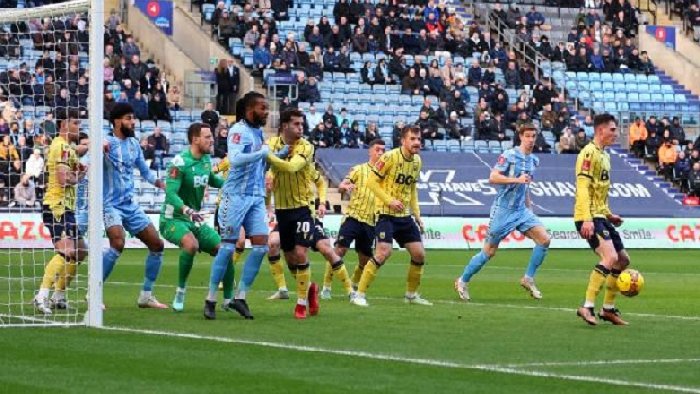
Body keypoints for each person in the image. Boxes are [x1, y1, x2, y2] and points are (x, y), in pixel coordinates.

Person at [267, 108, 355, 319]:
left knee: (302, 252)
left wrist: (267, 159)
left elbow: (291, 167)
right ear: (284, 125)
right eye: (296, 124)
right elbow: (271, 170)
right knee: (289, 258)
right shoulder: (272, 145)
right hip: (282, 210)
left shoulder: (306, 147)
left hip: (303, 209)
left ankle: (301, 304)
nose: (300, 129)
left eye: (302, 125)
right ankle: (309, 291)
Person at [455, 124, 550, 301]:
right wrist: (517, 179)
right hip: (503, 211)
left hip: (521, 210)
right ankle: (462, 280)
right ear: (520, 137)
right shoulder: (509, 155)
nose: (531, 140)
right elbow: (493, 177)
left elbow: (525, 185)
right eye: (527, 136)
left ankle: (528, 278)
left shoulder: (533, 160)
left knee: (544, 239)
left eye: (533, 136)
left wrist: (529, 208)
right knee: (489, 252)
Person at [204, 92, 273, 320]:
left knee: (262, 246)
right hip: (235, 197)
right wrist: (261, 152)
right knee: (227, 247)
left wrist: (276, 156)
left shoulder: (257, 132)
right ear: (249, 110)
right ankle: (211, 298)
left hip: (255, 197)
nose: (266, 111)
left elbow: (258, 161)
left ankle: (240, 297)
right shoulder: (238, 130)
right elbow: (235, 159)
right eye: (262, 108)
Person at [351, 126, 430, 307]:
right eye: (413, 139)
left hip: (404, 216)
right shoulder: (389, 157)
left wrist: (416, 214)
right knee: (383, 252)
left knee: (419, 254)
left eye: (419, 139)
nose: (417, 142)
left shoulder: (417, 161)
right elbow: (371, 181)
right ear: (403, 141)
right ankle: (359, 294)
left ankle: (411, 295)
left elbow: (412, 189)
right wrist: (389, 200)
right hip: (385, 213)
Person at [159, 123, 234, 312]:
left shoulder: (206, 160)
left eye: (211, 136)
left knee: (225, 250)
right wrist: (186, 210)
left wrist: (232, 182)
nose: (212, 140)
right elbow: (170, 193)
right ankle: (180, 291)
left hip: (194, 220)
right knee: (191, 245)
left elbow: (214, 180)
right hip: (172, 219)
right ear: (195, 139)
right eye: (207, 137)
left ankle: (228, 300)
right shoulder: (179, 162)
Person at [102, 103, 168, 309]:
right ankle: (94, 292)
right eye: (129, 118)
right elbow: (87, 159)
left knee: (157, 245)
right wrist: (97, 147)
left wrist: (161, 184)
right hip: (109, 204)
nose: (133, 122)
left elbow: (145, 172)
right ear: (117, 121)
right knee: (118, 243)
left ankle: (146, 295)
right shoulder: (106, 142)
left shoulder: (133, 145)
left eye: (134, 119)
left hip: (130, 204)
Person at [575, 114, 632, 326]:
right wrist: (588, 219)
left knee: (623, 260)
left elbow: (599, 192)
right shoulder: (589, 153)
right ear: (600, 130)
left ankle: (607, 309)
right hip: (588, 217)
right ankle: (587, 306)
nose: (615, 134)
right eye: (612, 130)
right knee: (609, 257)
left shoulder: (605, 156)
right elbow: (583, 188)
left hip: (600, 216)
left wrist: (609, 214)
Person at [33, 112, 87, 315]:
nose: (78, 126)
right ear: (64, 124)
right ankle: (42, 296)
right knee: (67, 251)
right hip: (57, 206)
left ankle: (59, 295)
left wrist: (92, 145)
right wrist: (80, 175)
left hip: (66, 208)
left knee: (81, 250)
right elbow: (64, 179)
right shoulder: (61, 146)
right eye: (75, 123)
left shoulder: (65, 147)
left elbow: (78, 151)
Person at [321, 139, 385, 298]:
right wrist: (344, 187)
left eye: (383, 150)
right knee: (339, 250)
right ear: (370, 151)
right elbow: (342, 185)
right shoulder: (359, 170)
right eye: (377, 150)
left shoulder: (385, 175)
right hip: (353, 217)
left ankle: (354, 285)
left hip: (370, 221)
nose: (381, 153)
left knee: (365, 260)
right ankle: (326, 287)